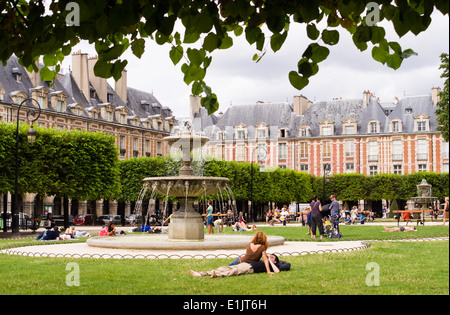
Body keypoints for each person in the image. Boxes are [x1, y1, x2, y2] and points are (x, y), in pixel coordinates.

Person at [189, 254, 285, 278]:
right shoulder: (263, 261)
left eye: (272, 257)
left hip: (250, 268)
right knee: (225, 267)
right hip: (246, 264)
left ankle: (216, 275)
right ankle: (201, 274)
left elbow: (277, 272)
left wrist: (270, 261)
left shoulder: (272, 265)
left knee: (232, 272)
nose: (270, 256)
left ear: (275, 261)